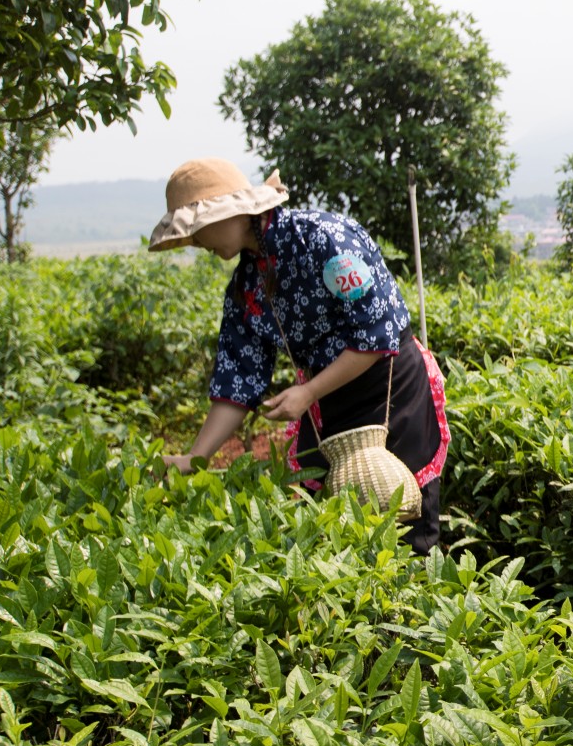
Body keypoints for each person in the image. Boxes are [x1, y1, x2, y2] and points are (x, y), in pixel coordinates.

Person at [151, 159, 449, 553]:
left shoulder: (324, 240)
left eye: (197, 228)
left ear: (233, 212)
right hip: (328, 401)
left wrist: (307, 394)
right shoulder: (246, 284)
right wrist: (196, 457)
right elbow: (238, 381)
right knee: (339, 532)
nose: (197, 242)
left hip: (388, 386)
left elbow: (375, 336)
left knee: (403, 514)